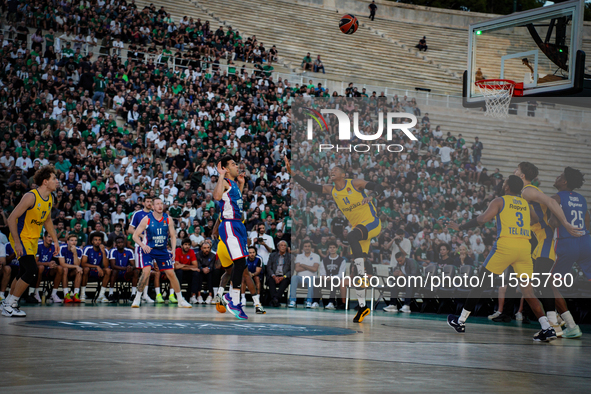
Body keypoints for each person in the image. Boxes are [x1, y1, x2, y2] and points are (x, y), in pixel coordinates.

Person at [446, 175, 557, 342]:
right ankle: (547, 328)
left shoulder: (500, 201)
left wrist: (460, 226)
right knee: (528, 291)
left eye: (504, 183)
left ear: (506, 187)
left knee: (480, 282)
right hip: (524, 248)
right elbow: (536, 219)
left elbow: (483, 219)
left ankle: (460, 321)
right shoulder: (525, 204)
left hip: (506, 246)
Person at [286, 157, 384, 323]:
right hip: (360, 228)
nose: (331, 172)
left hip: (372, 223)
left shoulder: (354, 183)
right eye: (330, 171)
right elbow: (310, 186)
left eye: (335, 170)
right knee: (355, 268)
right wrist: (292, 173)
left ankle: (362, 275)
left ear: (343, 174)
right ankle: (362, 307)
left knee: (351, 236)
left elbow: (378, 186)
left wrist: (372, 195)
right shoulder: (331, 189)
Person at [2, 166, 59, 318]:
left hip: (33, 239)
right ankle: (11, 304)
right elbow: (11, 218)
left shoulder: (50, 199)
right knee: (32, 271)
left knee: (22, 272)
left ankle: (7, 302)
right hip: (21, 238)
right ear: (45, 182)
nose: (57, 181)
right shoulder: (31, 197)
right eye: (54, 179)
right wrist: (17, 242)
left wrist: (56, 241)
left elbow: (47, 220)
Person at [547, 167, 589, 339]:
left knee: (548, 284)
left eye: (559, 176)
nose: (556, 178)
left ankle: (570, 325)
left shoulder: (556, 198)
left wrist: (548, 217)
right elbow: (588, 222)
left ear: (564, 182)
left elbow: (554, 222)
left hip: (567, 243)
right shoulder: (582, 199)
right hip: (586, 241)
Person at [213, 155, 256, 319]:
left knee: (241, 263)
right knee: (238, 262)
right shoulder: (224, 181)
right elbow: (217, 197)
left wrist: (242, 184)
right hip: (230, 224)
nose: (236, 166)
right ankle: (234, 301)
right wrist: (220, 175)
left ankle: (232, 297)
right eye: (232, 164)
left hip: (238, 225)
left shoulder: (234, 184)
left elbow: (235, 200)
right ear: (225, 168)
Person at [131, 198, 192, 308]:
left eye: (161, 204)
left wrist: (173, 250)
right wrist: (143, 245)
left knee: (171, 274)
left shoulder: (168, 219)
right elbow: (135, 236)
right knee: (146, 272)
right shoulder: (146, 219)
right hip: (149, 250)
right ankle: (137, 298)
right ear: (153, 207)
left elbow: (173, 236)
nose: (160, 206)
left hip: (162, 250)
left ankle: (180, 300)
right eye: (157, 204)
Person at [128, 197, 158, 303]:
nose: (149, 203)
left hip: (151, 246)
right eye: (148, 201)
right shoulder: (137, 214)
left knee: (148, 270)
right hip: (140, 246)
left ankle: (145, 294)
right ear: (143, 203)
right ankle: (135, 294)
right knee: (139, 270)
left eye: (151, 202)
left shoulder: (154, 215)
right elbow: (130, 229)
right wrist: (142, 235)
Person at [81, 232, 112, 303]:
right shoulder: (87, 248)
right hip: (89, 270)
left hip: (99, 272)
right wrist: (96, 266)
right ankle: (82, 294)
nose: (97, 242)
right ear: (92, 241)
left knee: (108, 270)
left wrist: (103, 252)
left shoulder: (105, 250)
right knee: (85, 269)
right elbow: (83, 263)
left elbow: (106, 265)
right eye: (95, 240)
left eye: (99, 240)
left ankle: (101, 295)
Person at [289, 240, 320, 308]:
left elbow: (315, 269)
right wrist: (310, 267)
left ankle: (309, 301)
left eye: (309, 246)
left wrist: (303, 265)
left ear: (311, 247)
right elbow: (297, 269)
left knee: (311, 279)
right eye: (305, 246)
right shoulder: (299, 256)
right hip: (300, 278)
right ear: (303, 248)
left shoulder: (316, 256)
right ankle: (293, 300)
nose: (307, 248)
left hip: (311, 278)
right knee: (294, 277)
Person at [316, 242, 346, 309]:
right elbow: (322, 272)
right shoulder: (324, 260)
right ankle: (316, 302)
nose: (332, 249)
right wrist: (324, 277)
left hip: (336, 281)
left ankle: (331, 302)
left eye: (334, 248)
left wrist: (332, 277)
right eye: (330, 248)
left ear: (337, 249)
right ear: (328, 249)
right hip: (326, 280)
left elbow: (341, 274)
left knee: (334, 281)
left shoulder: (342, 260)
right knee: (316, 280)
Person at [35, 233, 62, 304]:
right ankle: (36, 292)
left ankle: (53, 294)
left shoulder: (54, 247)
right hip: (38, 269)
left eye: (52, 237)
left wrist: (54, 264)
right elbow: (35, 262)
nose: (51, 239)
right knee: (41, 267)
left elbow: (57, 260)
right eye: (49, 237)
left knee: (59, 268)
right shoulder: (38, 246)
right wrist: (47, 263)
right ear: (44, 237)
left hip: (49, 269)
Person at [109, 236, 137, 303]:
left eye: (122, 242)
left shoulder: (129, 251)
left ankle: (133, 294)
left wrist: (131, 268)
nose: (120, 244)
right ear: (116, 244)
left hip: (126, 273)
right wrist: (125, 268)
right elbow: (113, 266)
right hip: (117, 273)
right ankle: (110, 294)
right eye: (118, 243)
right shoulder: (113, 251)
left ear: (124, 243)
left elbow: (133, 265)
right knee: (114, 271)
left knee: (135, 271)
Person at [57, 234, 83, 303]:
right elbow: (62, 264)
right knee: (65, 269)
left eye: (75, 240)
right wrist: (76, 266)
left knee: (79, 271)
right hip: (63, 271)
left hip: (72, 271)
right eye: (71, 240)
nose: (74, 242)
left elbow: (77, 264)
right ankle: (66, 295)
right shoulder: (62, 248)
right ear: (68, 242)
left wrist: (74, 253)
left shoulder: (79, 250)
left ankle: (76, 295)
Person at [174, 238, 200, 303]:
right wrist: (190, 267)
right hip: (179, 272)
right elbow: (176, 266)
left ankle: (192, 296)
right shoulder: (177, 250)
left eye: (188, 245)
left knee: (196, 273)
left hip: (187, 272)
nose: (187, 246)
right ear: (182, 246)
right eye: (185, 244)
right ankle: (178, 295)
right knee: (179, 272)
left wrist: (183, 265)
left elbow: (195, 266)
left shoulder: (191, 251)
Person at [266, 240, 292, 307]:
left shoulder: (290, 257)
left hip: (284, 276)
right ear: (278, 247)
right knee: (271, 281)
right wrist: (274, 276)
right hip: (274, 275)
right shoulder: (272, 255)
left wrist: (283, 277)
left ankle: (275, 299)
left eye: (284, 245)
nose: (283, 247)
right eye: (281, 245)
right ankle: (276, 300)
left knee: (285, 282)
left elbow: (291, 270)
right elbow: (269, 267)